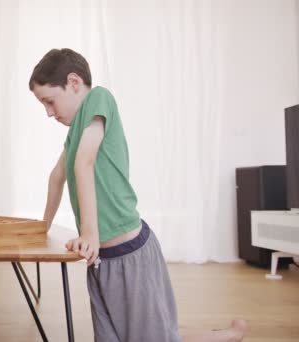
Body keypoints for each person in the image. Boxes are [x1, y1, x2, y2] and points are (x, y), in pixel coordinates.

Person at [29, 48, 247, 342]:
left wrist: (90, 233)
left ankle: (230, 336)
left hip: (129, 254)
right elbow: (57, 177)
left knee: (158, 338)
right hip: (100, 262)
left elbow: (84, 162)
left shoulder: (99, 98)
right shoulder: (73, 132)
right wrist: (41, 228)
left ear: (74, 82)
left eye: (50, 101)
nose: (49, 112)